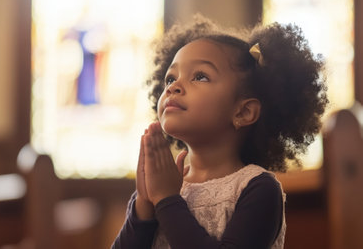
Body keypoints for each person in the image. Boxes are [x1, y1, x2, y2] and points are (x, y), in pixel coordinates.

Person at [112, 15, 328, 249]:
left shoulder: (259, 189)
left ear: (243, 112)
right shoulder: (163, 185)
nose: (173, 87)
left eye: (200, 76)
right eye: (170, 78)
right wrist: (144, 205)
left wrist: (166, 200)